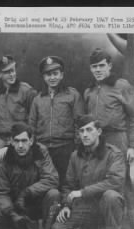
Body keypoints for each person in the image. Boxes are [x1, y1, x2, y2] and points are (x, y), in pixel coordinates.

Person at [84, 48, 134, 229]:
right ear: (90, 69)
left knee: (121, 186)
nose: (98, 70)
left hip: (118, 138)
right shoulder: (90, 91)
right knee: (99, 186)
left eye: (102, 65)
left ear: (109, 66)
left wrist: (132, 145)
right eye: (94, 66)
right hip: (98, 140)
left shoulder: (122, 86)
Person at [50, 115, 126, 229]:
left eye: (89, 130)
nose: (85, 134)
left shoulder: (113, 154)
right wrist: (66, 205)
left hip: (106, 205)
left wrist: (83, 192)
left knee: (111, 196)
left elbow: (115, 181)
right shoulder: (75, 156)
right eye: (81, 131)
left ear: (98, 131)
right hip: (85, 206)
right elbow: (68, 185)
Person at [0, 123, 60, 229]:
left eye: (24, 141)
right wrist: (12, 214)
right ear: (11, 141)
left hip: (37, 201)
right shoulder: (5, 159)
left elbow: (52, 178)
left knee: (54, 194)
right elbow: (2, 192)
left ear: (31, 141)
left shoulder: (40, 152)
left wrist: (27, 192)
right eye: (16, 141)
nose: (20, 145)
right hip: (17, 205)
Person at [29, 56, 84, 187]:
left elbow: (79, 123)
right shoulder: (38, 100)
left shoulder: (72, 95)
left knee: (67, 183)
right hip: (44, 150)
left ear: (61, 75)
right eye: (48, 74)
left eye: (55, 73)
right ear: (43, 77)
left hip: (66, 148)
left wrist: (76, 147)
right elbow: (32, 126)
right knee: (46, 183)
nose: (52, 78)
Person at [0, 55, 37, 149]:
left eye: (13, 71)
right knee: (0, 162)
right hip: (1, 140)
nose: (12, 75)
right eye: (7, 72)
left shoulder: (26, 91)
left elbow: (34, 118)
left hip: (20, 139)